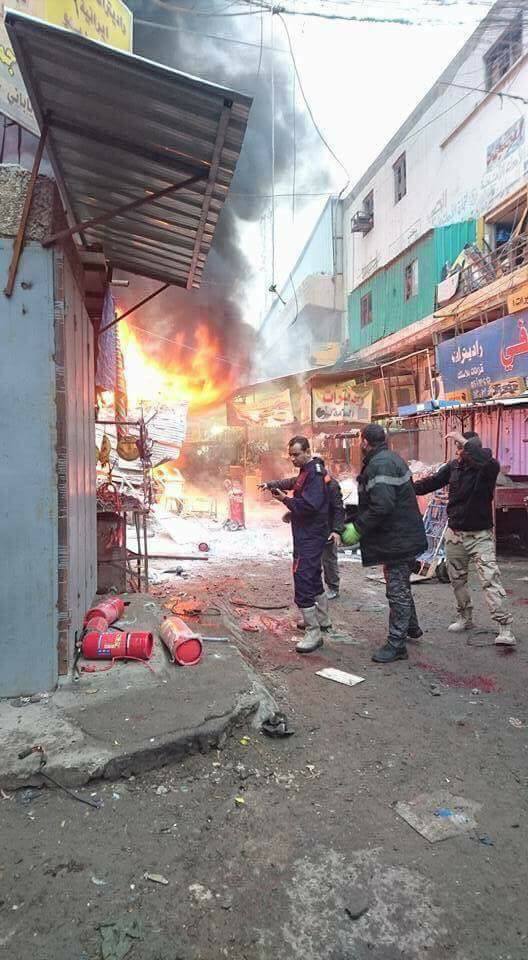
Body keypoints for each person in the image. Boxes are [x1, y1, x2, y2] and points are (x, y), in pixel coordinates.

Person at [413, 430, 516, 646]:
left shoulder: (488, 467)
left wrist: (464, 442)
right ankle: (465, 617)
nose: (459, 452)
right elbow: (431, 482)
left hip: (479, 536)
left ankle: (504, 627)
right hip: (455, 533)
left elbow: (484, 461)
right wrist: (406, 485)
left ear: (473, 449)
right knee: (457, 579)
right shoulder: (453, 467)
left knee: (490, 580)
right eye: (458, 448)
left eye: (462, 448)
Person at [346, 423, 427, 664]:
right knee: (401, 584)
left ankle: (397, 644)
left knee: (397, 590)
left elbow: (382, 505)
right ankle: (411, 628)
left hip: (398, 540)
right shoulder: (391, 459)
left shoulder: (379, 464)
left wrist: (358, 528)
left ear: (363, 442)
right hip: (403, 535)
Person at [259, 437, 329, 653]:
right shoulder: (308, 470)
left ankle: (313, 632)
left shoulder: (315, 474)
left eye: (296, 454)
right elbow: (293, 483)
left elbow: (309, 505)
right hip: (308, 533)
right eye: (290, 454)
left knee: (303, 578)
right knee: (313, 574)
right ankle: (323, 619)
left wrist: (285, 501)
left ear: (308, 451)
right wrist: (272, 485)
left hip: (310, 535)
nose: (292, 459)